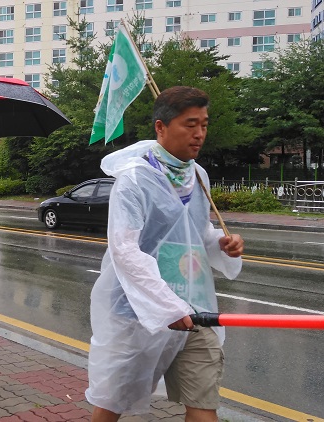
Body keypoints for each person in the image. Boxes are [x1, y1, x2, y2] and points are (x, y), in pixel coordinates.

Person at [85, 86, 245, 422]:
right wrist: (164, 306)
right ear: (161, 127)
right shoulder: (134, 180)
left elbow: (194, 233)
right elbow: (125, 250)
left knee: (203, 406)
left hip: (195, 308)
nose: (199, 133)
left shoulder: (198, 176)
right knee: (112, 403)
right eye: (190, 124)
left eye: (204, 124)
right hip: (139, 313)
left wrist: (220, 243)